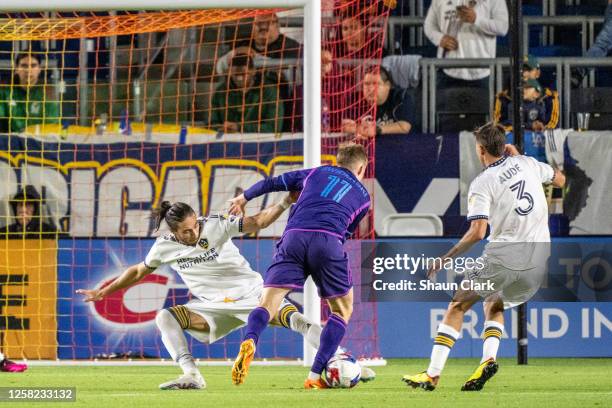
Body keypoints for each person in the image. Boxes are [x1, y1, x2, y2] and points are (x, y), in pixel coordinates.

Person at [76, 197, 374, 390]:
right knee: (166, 317)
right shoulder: (164, 246)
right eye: (186, 232)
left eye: (195, 227)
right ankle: (191, 375)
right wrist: (106, 291)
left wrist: (284, 202)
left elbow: (258, 221)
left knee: (300, 322)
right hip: (212, 307)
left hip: (254, 294)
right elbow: (139, 271)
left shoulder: (217, 225)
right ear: (173, 231)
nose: (193, 234)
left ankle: (340, 360)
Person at [402, 122, 565, 391]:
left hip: (504, 256)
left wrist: (445, 257)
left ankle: (432, 374)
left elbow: (478, 232)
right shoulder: (527, 163)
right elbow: (560, 180)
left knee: (458, 305)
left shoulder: (482, 183)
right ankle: (487, 360)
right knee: (494, 302)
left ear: (480, 150)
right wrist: (520, 159)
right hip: (538, 262)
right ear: (504, 146)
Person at [229, 143, 370, 389]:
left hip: (293, 237)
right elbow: (348, 231)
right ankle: (314, 377)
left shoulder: (317, 172)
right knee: (342, 310)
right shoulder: (363, 196)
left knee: (268, 304)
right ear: (361, 168)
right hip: (328, 240)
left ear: (338, 161)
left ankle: (250, 340)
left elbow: (274, 182)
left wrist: (243, 197)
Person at [424, 0, 508, 88]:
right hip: (447, 68)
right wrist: (440, 38)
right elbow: (429, 25)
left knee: (483, 101)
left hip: (482, 70)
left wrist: (477, 19)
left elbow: (503, 27)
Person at [209, 54, 284, 134]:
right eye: (236, 75)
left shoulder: (269, 92)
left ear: (253, 71)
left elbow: (273, 127)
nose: (239, 78)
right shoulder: (220, 92)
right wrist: (222, 128)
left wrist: (240, 127)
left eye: (243, 74)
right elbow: (212, 123)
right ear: (230, 73)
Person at [341, 66, 414, 138]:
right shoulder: (353, 99)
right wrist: (353, 128)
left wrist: (376, 130)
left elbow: (404, 127)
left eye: (376, 84)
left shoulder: (400, 97)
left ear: (387, 85)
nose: (371, 89)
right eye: (366, 84)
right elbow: (344, 125)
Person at [0, 53, 61, 133]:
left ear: (39, 69)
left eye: (33, 65)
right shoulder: (5, 94)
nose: (28, 70)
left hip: (38, 143)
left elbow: (51, 128)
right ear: (17, 69)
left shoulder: (47, 97)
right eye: (24, 66)